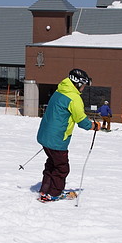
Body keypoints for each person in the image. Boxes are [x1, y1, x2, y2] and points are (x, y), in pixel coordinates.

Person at [36, 68, 99, 202]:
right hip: (57, 139)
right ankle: (53, 194)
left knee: (52, 163)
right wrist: (94, 126)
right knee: (62, 168)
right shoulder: (74, 98)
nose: (83, 88)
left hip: (45, 136)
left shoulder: (60, 90)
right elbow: (82, 122)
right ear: (77, 83)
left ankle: (45, 189)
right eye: (83, 85)